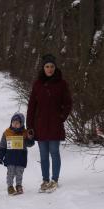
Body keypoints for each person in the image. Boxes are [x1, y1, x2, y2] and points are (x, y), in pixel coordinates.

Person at [26, 54, 72, 193]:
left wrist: (61, 117)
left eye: (52, 66)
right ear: (43, 68)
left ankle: (54, 180)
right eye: (47, 66)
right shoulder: (37, 84)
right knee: (44, 155)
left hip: (55, 125)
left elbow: (68, 103)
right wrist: (30, 126)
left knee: (54, 152)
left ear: (55, 67)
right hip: (40, 125)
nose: (50, 69)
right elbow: (32, 106)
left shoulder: (61, 83)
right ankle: (45, 180)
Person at [0, 113, 35, 195]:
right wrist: (1, 156)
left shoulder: (25, 133)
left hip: (21, 156)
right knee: (10, 172)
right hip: (10, 157)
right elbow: (3, 145)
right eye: (13, 122)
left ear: (21, 124)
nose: (15, 124)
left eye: (17, 123)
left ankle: (19, 185)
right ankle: (10, 187)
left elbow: (30, 144)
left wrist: (30, 138)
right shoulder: (7, 132)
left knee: (19, 172)